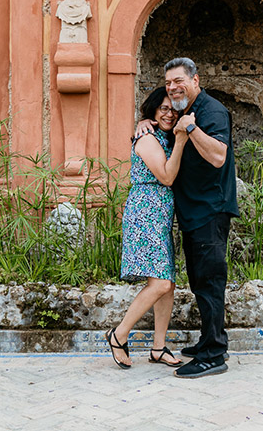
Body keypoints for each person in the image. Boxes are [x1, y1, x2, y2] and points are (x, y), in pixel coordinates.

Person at [138, 57, 239, 378]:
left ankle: (214, 354)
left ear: (195, 80)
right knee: (199, 280)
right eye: (168, 83)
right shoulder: (182, 111)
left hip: (211, 209)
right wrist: (142, 124)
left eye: (178, 81)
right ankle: (208, 340)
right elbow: (163, 128)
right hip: (193, 210)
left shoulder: (210, 112)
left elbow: (218, 155)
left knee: (210, 282)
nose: (172, 87)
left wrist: (192, 128)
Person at [106, 87, 188, 369]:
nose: (169, 113)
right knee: (160, 283)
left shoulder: (158, 135)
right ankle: (118, 335)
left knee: (168, 284)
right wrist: (180, 140)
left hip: (160, 213)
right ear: (152, 111)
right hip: (146, 213)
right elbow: (165, 176)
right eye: (163, 108)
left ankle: (158, 348)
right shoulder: (147, 138)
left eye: (173, 109)